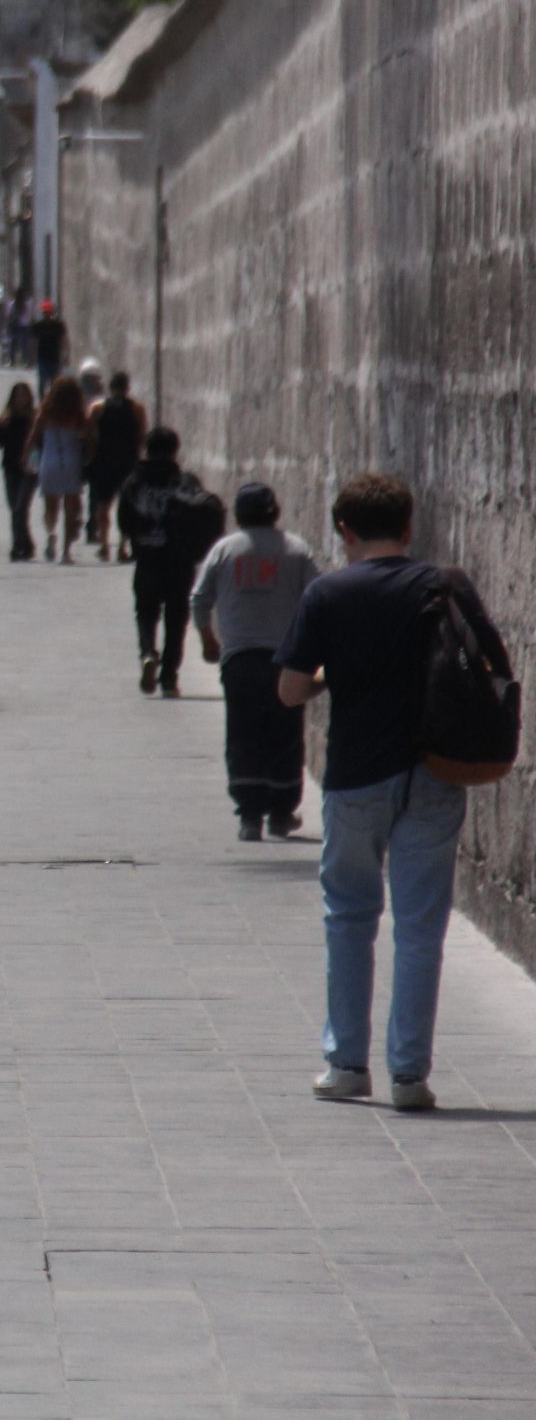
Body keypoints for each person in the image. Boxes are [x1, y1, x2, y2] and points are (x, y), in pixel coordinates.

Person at [276, 473, 508, 1113]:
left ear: (343, 531)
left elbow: (290, 691)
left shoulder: (328, 593)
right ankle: (409, 1074)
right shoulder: (443, 585)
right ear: (408, 527)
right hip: (435, 770)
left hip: (356, 775)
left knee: (349, 916)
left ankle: (346, 1065)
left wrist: (330, 676)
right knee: (420, 926)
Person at [193, 482, 320, 841]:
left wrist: (208, 639)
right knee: (286, 734)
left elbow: (199, 599)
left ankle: (250, 816)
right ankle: (281, 812)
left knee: (243, 733)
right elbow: (317, 597)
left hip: (239, 660)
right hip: (286, 660)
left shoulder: (225, 549)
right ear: (274, 511)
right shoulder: (297, 549)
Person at [115, 427, 214, 697]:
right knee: (176, 618)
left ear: (147, 449)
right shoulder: (185, 481)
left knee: (146, 612)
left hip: (147, 559)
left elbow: (123, 521)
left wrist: (139, 535)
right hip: (179, 561)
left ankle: (148, 652)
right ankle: (169, 677)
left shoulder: (134, 483)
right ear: (174, 450)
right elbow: (203, 513)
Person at [28, 375, 90, 563]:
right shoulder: (78, 415)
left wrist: (25, 459)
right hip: (71, 461)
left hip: (50, 461)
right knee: (70, 508)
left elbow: (32, 438)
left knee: (50, 506)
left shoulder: (45, 414)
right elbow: (89, 438)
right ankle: (66, 551)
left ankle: (51, 533)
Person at [86, 372, 147, 561]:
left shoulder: (98, 407)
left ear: (110, 387)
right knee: (126, 506)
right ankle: (122, 545)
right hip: (128, 461)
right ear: (127, 388)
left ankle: (104, 544)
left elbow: (88, 433)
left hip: (104, 460)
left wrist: (92, 454)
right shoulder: (136, 408)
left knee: (103, 505)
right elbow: (142, 435)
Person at [0, 382, 38, 562]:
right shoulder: (6, 417)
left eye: (24, 395)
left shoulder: (34, 417)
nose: (20, 399)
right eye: (17, 396)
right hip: (11, 468)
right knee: (15, 509)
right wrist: (2, 426)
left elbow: (42, 441)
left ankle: (18, 545)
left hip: (29, 468)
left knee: (20, 508)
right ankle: (27, 543)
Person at [30, 300, 68, 394]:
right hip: (42, 357)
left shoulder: (57, 325)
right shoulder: (38, 326)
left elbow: (64, 340)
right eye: (45, 312)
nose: (47, 314)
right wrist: (32, 355)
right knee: (42, 382)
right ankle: (42, 399)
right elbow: (33, 341)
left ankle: (53, 399)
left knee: (54, 383)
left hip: (54, 358)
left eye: (48, 312)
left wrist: (66, 354)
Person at [6, 286, 35, 366]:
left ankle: (12, 360)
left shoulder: (11, 304)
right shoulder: (28, 303)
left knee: (14, 343)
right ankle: (25, 360)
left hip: (15, 325)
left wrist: (8, 325)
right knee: (24, 343)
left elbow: (8, 315)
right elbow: (31, 314)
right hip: (25, 325)